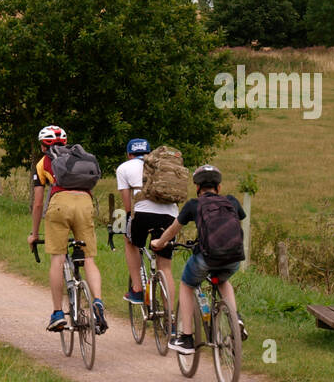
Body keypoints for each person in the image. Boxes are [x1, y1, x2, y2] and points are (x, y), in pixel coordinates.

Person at [151, 164, 243, 355]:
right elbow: (236, 221)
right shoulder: (231, 201)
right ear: (219, 187)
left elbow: (173, 229)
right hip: (234, 257)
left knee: (186, 284)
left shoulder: (194, 204)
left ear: (197, 188)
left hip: (207, 257)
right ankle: (236, 319)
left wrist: (160, 242)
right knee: (222, 280)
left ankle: (186, 338)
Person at [28, 124, 108, 335]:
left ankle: (56, 314)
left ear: (43, 144)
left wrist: (34, 234)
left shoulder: (43, 162)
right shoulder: (79, 157)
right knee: (89, 258)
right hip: (85, 202)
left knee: (58, 258)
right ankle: (98, 303)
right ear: (65, 141)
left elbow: (37, 203)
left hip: (59, 204)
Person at [114, 137, 178, 307]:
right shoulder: (161, 165)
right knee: (165, 267)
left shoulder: (123, 168)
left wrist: (127, 219)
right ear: (149, 153)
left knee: (130, 242)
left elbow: (128, 206)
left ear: (129, 154)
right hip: (171, 217)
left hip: (142, 214)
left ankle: (137, 289)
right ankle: (170, 318)